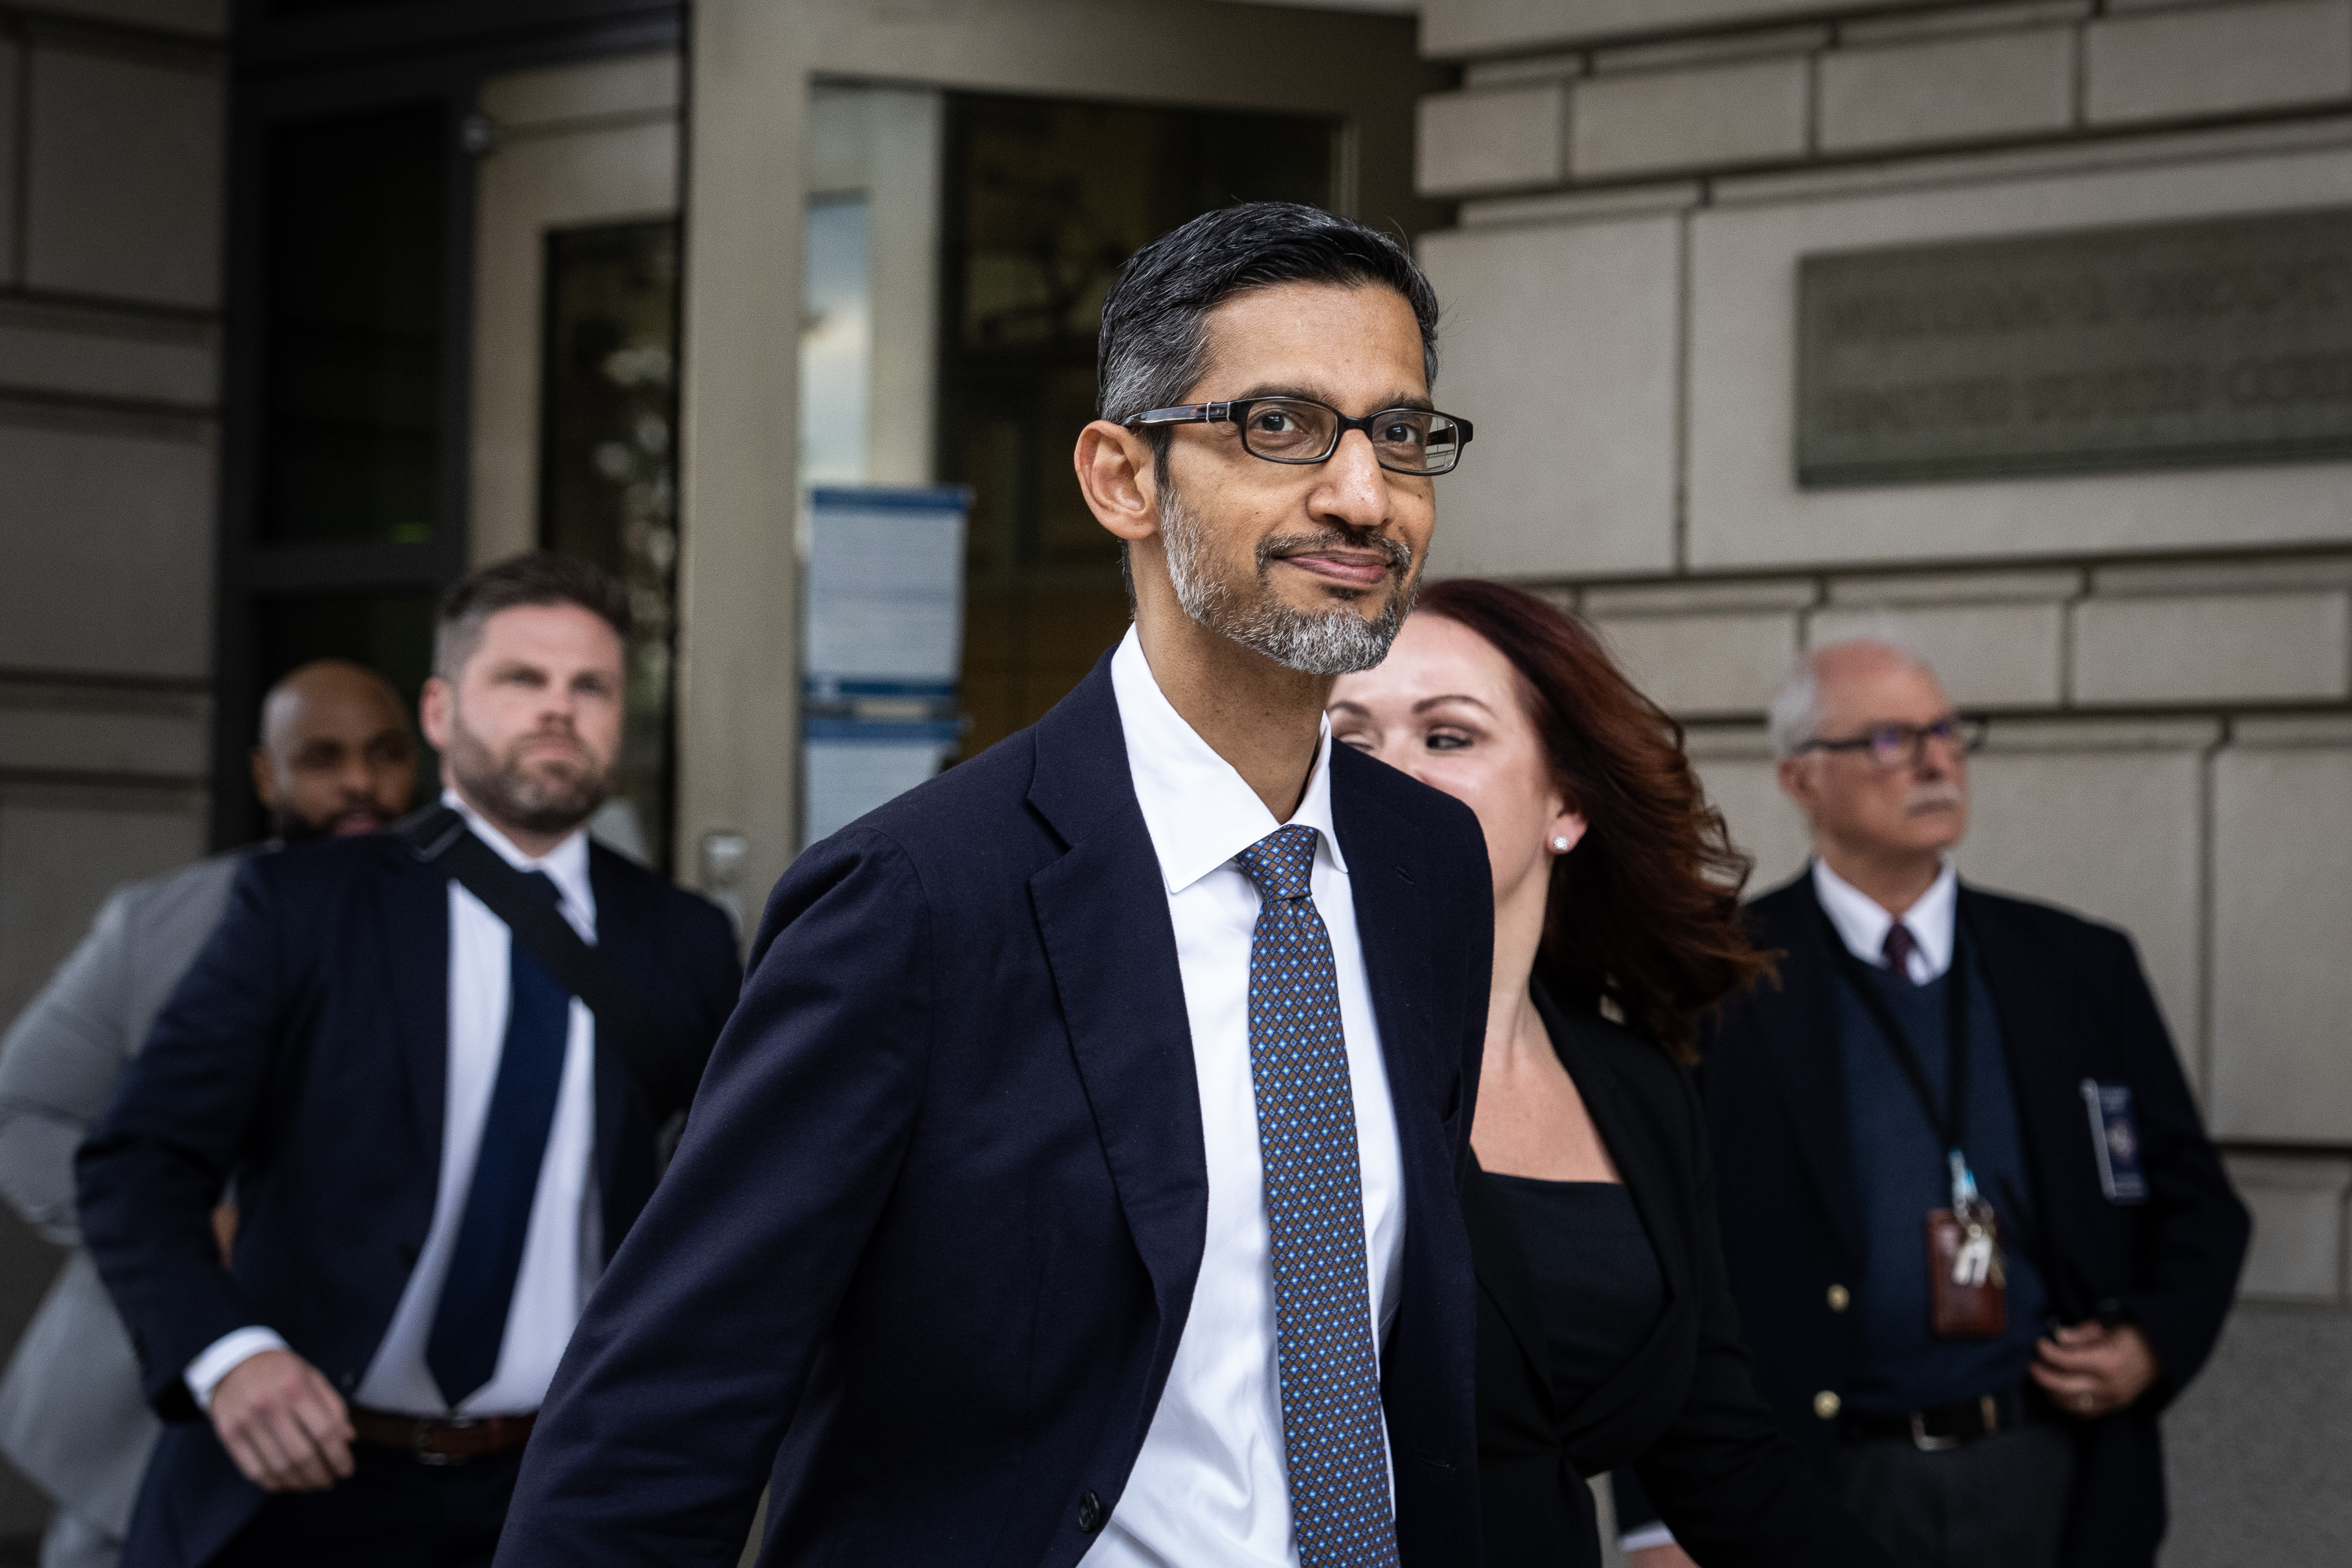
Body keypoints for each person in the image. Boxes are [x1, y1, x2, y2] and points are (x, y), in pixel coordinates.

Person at [496, 202, 1494, 1567]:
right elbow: (662, 1417)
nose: (1362, 494)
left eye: (1398, 433)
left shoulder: (1423, 867)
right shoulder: (914, 899)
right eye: (1280, 428)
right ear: (1118, 478)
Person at [76, 554, 743, 1568]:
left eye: (591, 686)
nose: (558, 709)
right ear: (440, 711)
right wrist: (228, 1357)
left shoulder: (685, 940)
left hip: (554, 1488)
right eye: (522, 680)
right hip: (305, 1486)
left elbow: (744, 1194)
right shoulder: (299, 908)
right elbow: (136, 1163)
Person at [1613, 633, 2250, 1568]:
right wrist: (1657, 1518)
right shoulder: (1712, 977)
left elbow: (2198, 1204)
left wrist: (2152, 1342)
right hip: (1812, 1480)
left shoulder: (2077, 966)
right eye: (1886, 739)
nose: (1934, 758)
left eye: (1946, 730)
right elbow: (1650, 1252)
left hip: (2052, 1470)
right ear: (1799, 780)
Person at [1328, 581, 1895, 1568]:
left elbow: (1723, 1464)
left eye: (1447, 737)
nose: (1385, 777)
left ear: (1568, 802)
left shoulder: (1637, 1090)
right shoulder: (1270, 1061)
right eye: (1348, 737)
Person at [0, 660, 418, 1568]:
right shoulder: (157, 924)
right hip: (145, 1430)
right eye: (323, 758)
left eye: (385, 755)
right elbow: (20, 1110)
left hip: (396, 1449)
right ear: (267, 777)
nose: (359, 782)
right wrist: (189, 1224)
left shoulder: (488, 929)